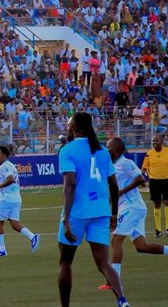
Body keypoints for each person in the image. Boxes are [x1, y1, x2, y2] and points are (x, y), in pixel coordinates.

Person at [56, 112, 127, 307]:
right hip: (101, 211)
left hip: (78, 211)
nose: (67, 127)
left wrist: (66, 218)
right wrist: (114, 213)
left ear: (75, 127)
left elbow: (70, 185)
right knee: (104, 263)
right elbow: (114, 185)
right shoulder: (102, 151)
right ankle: (122, 300)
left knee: (65, 261)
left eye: (69, 124)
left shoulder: (67, 150)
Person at [99, 137, 168, 292]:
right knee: (141, 247)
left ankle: (115, 282)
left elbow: (140, 179)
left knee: (116, 240)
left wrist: (121, 192)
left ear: (115, 150)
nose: (106, 149)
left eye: (108, 147)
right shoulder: (114, 165)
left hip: (132, 207)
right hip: (132, 208)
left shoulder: (125, 163)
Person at [0, 144, 40, 257]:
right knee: (14, 224)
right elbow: (14, 181)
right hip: (15, 199)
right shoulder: (11, 165)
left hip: (5, 199)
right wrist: (1, 188)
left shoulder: (4, 166)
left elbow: (11, 179)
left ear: (4, 155)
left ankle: (2, 250)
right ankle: (33, 237)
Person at [142, 133, 167, 238]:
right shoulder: (149, 153)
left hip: (166, 181)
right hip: (154, 181)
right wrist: (142, 178)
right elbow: (144, 168)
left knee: (167, 203)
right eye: (153, 141)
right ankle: (158, 230)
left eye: (156, 140)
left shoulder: (167, 151)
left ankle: (167, 229)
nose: (154, 142)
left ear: (161, 141)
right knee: (157, 204)